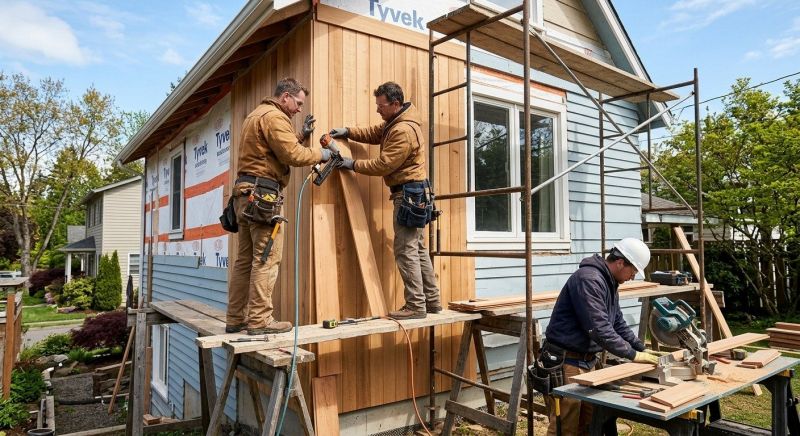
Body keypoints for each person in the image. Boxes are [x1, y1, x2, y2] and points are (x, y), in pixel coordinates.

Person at [226, 78, 331, 335]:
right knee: (266, 258)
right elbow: (292, 155)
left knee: (245, 260)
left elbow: (270, 150)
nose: (299, 109)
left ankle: (236, 318)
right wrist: (321, 154)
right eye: (298, 103)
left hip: (244, 195)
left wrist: (300, 136)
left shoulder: (256, 115)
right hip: (263, 197)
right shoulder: (275, 117)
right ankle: (260, 320)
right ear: (285, 96)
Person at [329, 81, 440, 319]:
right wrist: (348, 131)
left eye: (381, 106)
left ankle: (416, 306)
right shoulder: (395, 122)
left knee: (405, 250)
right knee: (417, 248)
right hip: (415, 192)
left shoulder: (403, 130)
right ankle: (431, 301)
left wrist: (352, 164)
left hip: (409, 194)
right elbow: (375, 133)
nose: (378, 110)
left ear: (395, 103)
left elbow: (384, 164)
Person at [542, 237, 660, 435]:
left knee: (590, 423)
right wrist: (631, 354)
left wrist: (641, 348)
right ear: (620, 262)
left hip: (586, 362)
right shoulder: (589, 279)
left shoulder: (608, 282)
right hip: (567, 361)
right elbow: (598, 328)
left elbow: (617, 323)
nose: (632, 277)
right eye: (633, 271)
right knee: (566, 427)